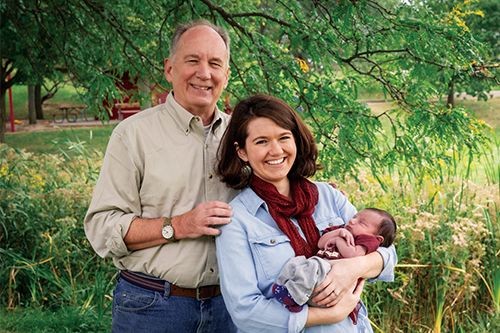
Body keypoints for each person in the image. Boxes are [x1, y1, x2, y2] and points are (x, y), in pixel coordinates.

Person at [84, 20, 238, 332]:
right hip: (152, 307)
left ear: (226, 74)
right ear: (169, 69)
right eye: (192, 60)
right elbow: (102, 227)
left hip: (231, 308)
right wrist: (180, 225)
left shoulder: (244, 137)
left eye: (215, 64)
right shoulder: (133, 135)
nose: (204, 73)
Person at [215, 94, 397, 332]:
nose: (276, 150)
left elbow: (388, 253)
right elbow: (245, 311)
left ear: (296, 141)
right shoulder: (237, 219)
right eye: (261, 142)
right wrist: (329, 314)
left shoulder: (328, 196)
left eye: (284, 138)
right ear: (242, 152)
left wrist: (350, 268)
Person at [272, 208, 397, 324]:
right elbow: (321, 243)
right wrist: (338, 232)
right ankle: (283, 286)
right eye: (354, 217)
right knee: (298, 262)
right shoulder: (343, 230)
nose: (352, 221)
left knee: (314, 267)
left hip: (331, 280)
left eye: (362, 223)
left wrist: (338, 240)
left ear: (377, 238)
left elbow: (353, 255)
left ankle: (293, 298)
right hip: (320, 269)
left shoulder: (367, 240)